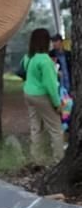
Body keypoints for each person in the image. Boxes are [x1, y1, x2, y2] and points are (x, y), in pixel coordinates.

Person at [23, 28, 64, 165]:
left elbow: (29, 73)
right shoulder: (45, 60)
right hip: (41, 96)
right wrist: (57, 104)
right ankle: (59, 161)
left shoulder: (28, 57)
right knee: (56, 129)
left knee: (36, 127)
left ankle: (36, 160)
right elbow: (50, 86)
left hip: (28, 94)